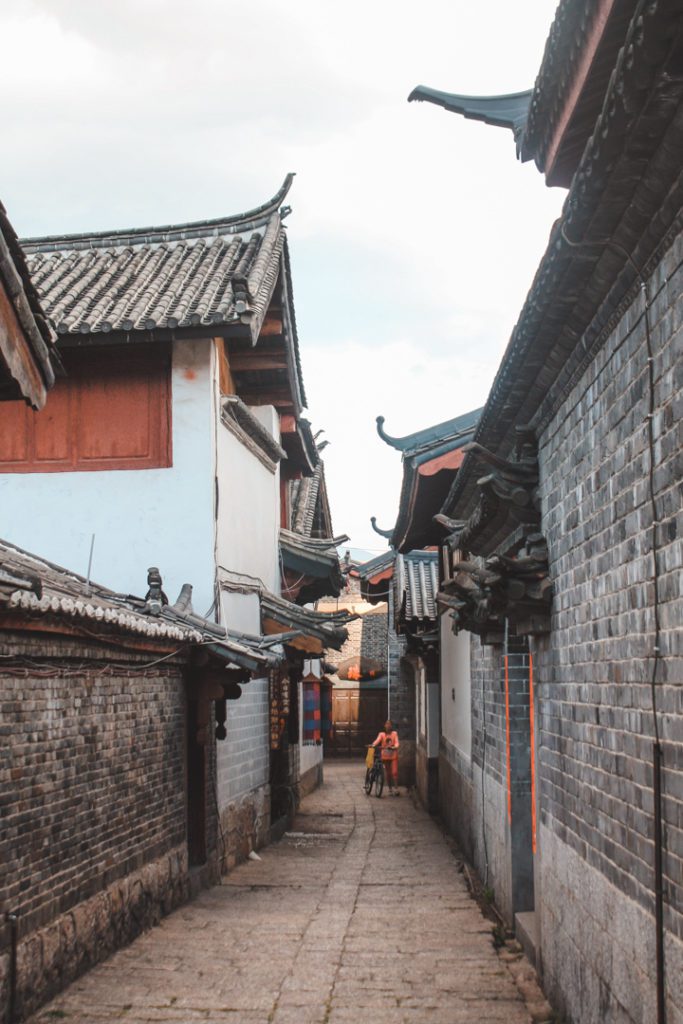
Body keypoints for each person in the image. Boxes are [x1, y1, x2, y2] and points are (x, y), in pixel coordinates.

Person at [372, 719, 400, 796]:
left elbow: (397, 742)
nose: (388, 726)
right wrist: (373, 745)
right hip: (385, 756)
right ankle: (390, 789)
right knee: (388, 773)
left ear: (391, 726)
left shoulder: (394, 734)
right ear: (384, 726)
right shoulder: (382, 734)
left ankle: (396, 788)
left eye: (389, 724)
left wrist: (395, 746)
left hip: (393, 755)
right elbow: (377, 741)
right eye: (386, 724)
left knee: (394, 772)